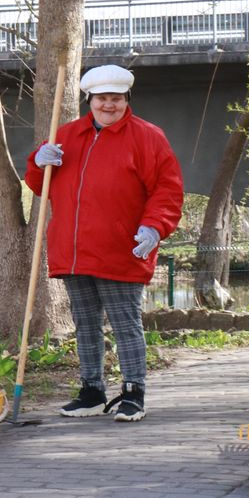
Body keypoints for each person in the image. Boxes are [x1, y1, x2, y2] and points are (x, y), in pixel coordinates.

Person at [25, 64, 183, 423]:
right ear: (89, 100)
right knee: (85, 324)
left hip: (121, 248)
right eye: (101, 99)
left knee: (125, 323)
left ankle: (132, 392)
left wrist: (154, 228)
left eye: (116, 99)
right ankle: (92, 391)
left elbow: (167, 190)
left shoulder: (147, 137)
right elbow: (40, 186)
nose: (108, 105)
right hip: (75, 249)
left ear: (126, 100)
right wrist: (37, 162)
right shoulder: (65, 134)